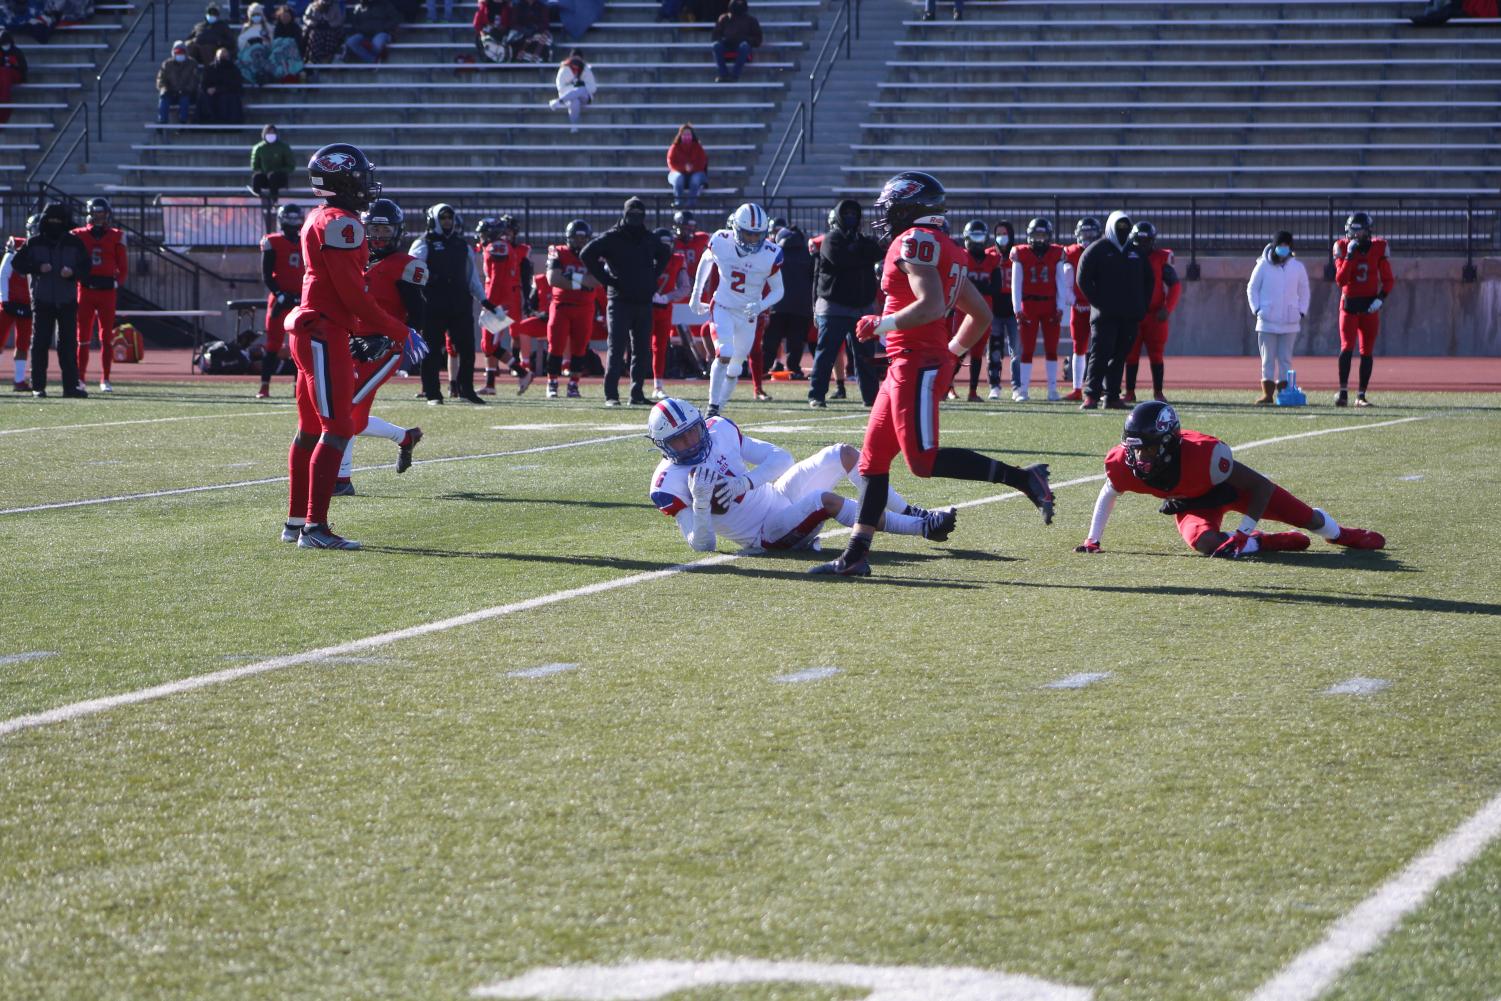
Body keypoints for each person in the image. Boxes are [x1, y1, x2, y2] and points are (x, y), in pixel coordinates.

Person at [810, 172, 1055, 578]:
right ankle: (855, 555)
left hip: (914, 362)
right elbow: (980, 315)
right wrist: (952, 354)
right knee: (872, 462)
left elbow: (928, 305)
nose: (885, 215)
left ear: (910, 208)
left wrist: (882, 324)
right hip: (910, 363)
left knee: (921, 462)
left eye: (891, 207)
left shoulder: (914, 242)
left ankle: (1023, 478)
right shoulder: (946, 247)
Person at [280, 142, 409, 550]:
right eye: (359, 176)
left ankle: (296, 521)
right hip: (324, 330)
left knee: (309, 430)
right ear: (342, 180)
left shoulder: (325, 216)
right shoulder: (343, 224)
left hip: (313, 328)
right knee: (336, 428)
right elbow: (353, 296)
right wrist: (399, 330)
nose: (366, 183)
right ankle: (314, 529)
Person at [1075, 401, 1385, 558]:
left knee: (1309, 519)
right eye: (1136, 450)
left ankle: (1339, 533)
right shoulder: (1123, 464)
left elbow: (1260, 486)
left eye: (1150, 449)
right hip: (1191, 502)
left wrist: (1242, 530)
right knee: (1208, 545)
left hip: (1230, 490)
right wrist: (1093, 539)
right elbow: (1109, 492)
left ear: (1169, 443)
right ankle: (1268, 542)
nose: (1140, 459)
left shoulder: (1207, 457)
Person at [646, 397, 955, 553]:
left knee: (843, 453)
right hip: (765, 533)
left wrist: (747, 481)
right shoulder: (668, 482)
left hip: (778, 495)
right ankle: (921, 528)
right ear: (663, 446)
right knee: (824, 500)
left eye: (693, 432)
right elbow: (702, 546)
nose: (691, 442)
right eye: (680, 439)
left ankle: (912, 511)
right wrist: (700, 505)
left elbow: (781, 458)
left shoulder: (720, 430)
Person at [336, 197, 426, 495]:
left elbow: (420, 312)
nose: (378, 237)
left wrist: (402, 336)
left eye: (385, 231)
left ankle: (341, 480)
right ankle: (405, 437)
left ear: (398, 233)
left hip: (384, 346)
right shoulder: (358, 259)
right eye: (373, 229)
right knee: (355, 419)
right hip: (353, 342)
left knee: (344, 410)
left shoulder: (405, 266)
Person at [688, 201, 783, 417]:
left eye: (757, 234)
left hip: (747, 315)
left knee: (736, 366)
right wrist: (696, 296)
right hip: (722, 306)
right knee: (725, 352)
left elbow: (779, 291)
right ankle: (712, 406)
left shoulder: (770, 252)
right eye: (748, 234)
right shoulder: (722, 241)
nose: (753, 239)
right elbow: (705, 261)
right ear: (737, 230)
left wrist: (760, 305)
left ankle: (718, 410)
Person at [581, 197, 671, 407]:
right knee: (616, 346)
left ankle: (636, 393)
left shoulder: (648, 238)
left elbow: (664, 254)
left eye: (639, 215)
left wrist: (652, 277)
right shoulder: (613, 237)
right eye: (632, 215)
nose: (635, 219)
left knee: (641, 349)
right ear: (624, 214)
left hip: (643, 301)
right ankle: (611, 395)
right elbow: (587, 254)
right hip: (619, 300)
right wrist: (607, 281)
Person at [409, 203, 490, 404]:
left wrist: (485, 300)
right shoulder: (423, 243)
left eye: (449, 218)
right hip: (433, 303)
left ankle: (466, 390)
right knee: (432, 350)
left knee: (467, 349)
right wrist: (430, 279)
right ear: (434, 219)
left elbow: (471, 279)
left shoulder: (462, 245)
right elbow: (410, 271)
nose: (447, 222)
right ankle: (432, 392)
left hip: (460, 303)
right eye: (443, 218)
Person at [1076, 209, 1153, 410]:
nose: (1122, 231)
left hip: (1129, 316)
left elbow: (1149, 280)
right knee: (1100, 353)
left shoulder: (1136, 251)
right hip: (1105, 316)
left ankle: (1112, 396)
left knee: (1120, 356)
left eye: (1126, 227)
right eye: (1119, 227)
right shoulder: (1098, 249)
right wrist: (1098, 302)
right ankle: (1091, 395)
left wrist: (1142, 306)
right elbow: (1082, 278)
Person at [808, 198, 881, 408]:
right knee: (826, 354)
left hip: (862, 307)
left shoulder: (864, 241)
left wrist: (857, 249)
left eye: (853, 214)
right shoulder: (831, 239)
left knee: (865, 356)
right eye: (846, 214)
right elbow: (840, 260)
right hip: (834, 307)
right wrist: (860, 252)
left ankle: (871, 397)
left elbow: (876, 252)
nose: (850, 217)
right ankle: (817, 395)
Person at [12, 202, 89, 399]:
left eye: (58, 220)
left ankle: (70, 387)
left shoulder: (74, 243)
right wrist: (37, 267)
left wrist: (72, 273)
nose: (54, 224)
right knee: (39, 344)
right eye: (51, 220)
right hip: (42, 300)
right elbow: (17, 263)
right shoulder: (34, 242)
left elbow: (87, 268)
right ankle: (38, 386)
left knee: (68, 345)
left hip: (67, 300)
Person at [1333, 211, 1394, 407]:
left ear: (1368, 232)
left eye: (1358, 232)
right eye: (1352, 232)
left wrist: (1380, 299)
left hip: (1369, 306)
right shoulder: (1342, 246)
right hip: (1349, 305)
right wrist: (1350, 256)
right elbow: (1340, 280)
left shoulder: (1379, 247)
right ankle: (1343, 393)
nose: (1355, 236)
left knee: (1367, 351)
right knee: (1346, 348)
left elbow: (1388, 280)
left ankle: (1361, 396)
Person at [1009, 216, 1071, 402]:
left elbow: (1061, 282)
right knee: (1027, 349)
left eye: (1042, 235)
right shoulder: (1021, 253)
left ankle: (1052, 390)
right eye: (1036, 235)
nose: (1039, 239)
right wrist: (1017, 309)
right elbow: (1016, 284)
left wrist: (1060, 307)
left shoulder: (1056, 253)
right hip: (1028, 305)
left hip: (1050, 304)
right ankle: (1023, 389)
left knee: (1052, 349)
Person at [1246, 230, 1310, 405]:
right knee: (1267, 360)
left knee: (1285, 359)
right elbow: (1252, 288)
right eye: (1280, 245)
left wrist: (1301, 310)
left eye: (1286, 245)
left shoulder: (1297, 267)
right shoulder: (1263, 266)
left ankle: (1284, 393)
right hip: (1267, 321)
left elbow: (1304, 290)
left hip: (1290, 321)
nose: (1283, 248)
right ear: (1274, 246)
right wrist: (1257, 309)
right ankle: (1267, 395)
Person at [70, 197, 127, 394]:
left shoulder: (116, 236)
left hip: (106, 292)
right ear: (89, 213)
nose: (100, 217)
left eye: (102, 213)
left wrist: (116, 283)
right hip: (85, 290)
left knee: (106, 337)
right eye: (96, 213)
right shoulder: (77, 235)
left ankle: (105, 378)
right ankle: (80, 378)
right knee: (83, 337)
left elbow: (124, 268)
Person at [1122, 221, 1180, 404]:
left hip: (1155, 315)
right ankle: (1129, 392)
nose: (1142, 245)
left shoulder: (1161, 258)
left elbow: (1175, 285)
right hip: (1132, 314)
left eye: (1146, 241)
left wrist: (1167, 308)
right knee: (1130, 354)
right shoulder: (1126, 255)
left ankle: (1158, 392)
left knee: (1156, 354)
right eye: (1139, 241)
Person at [477, 213, 534, 395]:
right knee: (488, 344)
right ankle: (491, 384)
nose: (481, 237)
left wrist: (489, 304)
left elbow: (497, 279)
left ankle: (522, 372)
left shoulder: (497, 247)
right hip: (501, 300)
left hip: (498, 301)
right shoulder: (501, 246)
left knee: (489, 345)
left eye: (484, 233)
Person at [543, 220, 600, 399]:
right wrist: (581, 282)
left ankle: (573, 384)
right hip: (561, 306)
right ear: (569, 238)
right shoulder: (558, 251)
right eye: (577, 238)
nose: (580, 242)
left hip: (585, 308)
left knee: (580, 348)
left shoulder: (593, 254)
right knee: (555, 345)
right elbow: (553, 279)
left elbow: (595, 282)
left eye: (584, 238)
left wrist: (571, 278)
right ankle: (552, 382)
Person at [258, 202, 304, 399]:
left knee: (300, 346)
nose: (293, 222)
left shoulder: (307, 241)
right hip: (279, 299)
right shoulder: (272, 241)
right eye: (289, 218)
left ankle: (298, 387)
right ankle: (264, 386)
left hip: (302, 299)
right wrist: (280, 294)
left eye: (295, 218)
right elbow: (267, 275)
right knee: (273, 344)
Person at [760, 221, 812, 383]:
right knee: (795, 343)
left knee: (771, 342)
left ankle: (762, 369)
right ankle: (794, 369)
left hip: (777, 304)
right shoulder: (806, 253)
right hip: (801, 306)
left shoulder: (774, 252)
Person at [956, 219, 1000, 401]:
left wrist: (974, 286)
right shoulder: (961, 256)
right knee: (957, 350)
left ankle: (972, 391)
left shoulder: (992, 259)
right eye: (973, 236)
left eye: (979, 236)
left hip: (983, 312)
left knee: (977, 353)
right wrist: (981, 285)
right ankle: (945, 386)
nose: (976, 240)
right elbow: (959, 284)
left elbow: (995, 288)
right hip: (962, 311)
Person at [649, 226, 690, 400]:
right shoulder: (646, 257)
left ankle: (658, 385)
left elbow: (685, 287)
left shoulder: (677, 259)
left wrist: (666, 297)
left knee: (660, 347)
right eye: (662, 244)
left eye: (669, 244)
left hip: (664, 308)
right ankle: (633, 383)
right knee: (638, 346)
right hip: (645, 307)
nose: (666, 248)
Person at [1061, 216, 1098, 402]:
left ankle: (1102, 388)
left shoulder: (1102, 251)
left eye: (1091, 234)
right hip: (1080, 306)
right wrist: (1074, 301)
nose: (1087, 238)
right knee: (1079, 347)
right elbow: (1065, 280)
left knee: (1103, 348)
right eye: (1084, 234)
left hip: (1099, 307)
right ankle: (1077, 389)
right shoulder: (1071, 252)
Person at [0, 217, 34, 392]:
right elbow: (3, 273)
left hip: (28, 304)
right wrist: (4, 300)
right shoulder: (17, 245)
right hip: (9, 302)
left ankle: (19, 381)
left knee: (22, 344)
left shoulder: (45, 249)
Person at [711, 0, 760, 82]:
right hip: (727, 45)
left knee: (744, 46)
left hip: (742, 47)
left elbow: (758, 38)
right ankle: (723, 74)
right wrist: (723, 40)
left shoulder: (751, 20)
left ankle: (734, 75)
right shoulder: (724, 18)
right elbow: (715, 35)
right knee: (716, 46)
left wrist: (745, 39)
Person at [549, 49, 594, 132]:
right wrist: (573, 87)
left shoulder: (586, 69)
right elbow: (560, 87)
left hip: (584, 97)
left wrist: (579, 86)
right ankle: (574, 126)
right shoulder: (564, 69)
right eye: (574, 59)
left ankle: (559, 102)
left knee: (581, 89)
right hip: (568, 97)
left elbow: (592, 87)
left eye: (578, 59)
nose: (576, 62)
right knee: (575, 101)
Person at [156, 41, 201, 125]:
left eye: (182, 52)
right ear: (173, 53)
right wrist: (165, 88)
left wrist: (187, 89)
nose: (180, 54)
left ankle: (183, 121)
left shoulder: (192, 63)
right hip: (171, 92)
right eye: (177, 52)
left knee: (185, 98)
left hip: (187, 92)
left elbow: (194, 79)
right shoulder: (167, 64)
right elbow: (160, 79)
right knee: (163, 97)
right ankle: (162, 121)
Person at [666, 123, 708, 208]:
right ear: (680, 135)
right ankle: (678, 203)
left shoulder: (698, 147)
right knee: (678, 178)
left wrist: (692, 168)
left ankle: (691, 204)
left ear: (692, 135)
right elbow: (671, 163)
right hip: (678, 172)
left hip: (696, 172)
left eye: (689, 134)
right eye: (684, 134)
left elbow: (703, 162)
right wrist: (684, 168)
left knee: (695, 179)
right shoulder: (675, 147)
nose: (687, 136)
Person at [250, 123, 295, 203]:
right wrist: (264, 172)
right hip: (265, 178)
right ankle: (259, 200)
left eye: (272, 133)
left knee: (273, 177)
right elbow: (254, 166)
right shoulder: (258, 148)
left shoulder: (284, 147)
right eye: (268, 133)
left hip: (279, 178)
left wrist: (277, 171)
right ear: (264, 134)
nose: (271, 135)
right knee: (256, 177)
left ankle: (274, 202)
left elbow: (291, 166)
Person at [198, 46, 243, 123]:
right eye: (221, 56)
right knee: (204, 98)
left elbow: (235, 85)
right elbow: (204, 83)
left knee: (229, 99)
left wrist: (218, 89)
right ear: (216, 56)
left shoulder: (233, 69)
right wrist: (207, 89)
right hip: (212, 94)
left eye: (225, 56)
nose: (223, 58)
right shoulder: (210, 68)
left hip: (228, 93)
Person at [301, 0, 344, 65]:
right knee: (313, 36)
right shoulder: (312, 5)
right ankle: (312, 59)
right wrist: (311, 23)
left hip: (330, 29)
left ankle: (328, 59)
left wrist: (331, 24)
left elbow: (339, 19)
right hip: (316, 28)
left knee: (331, 37)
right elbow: (305, 17)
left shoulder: (335, 5)